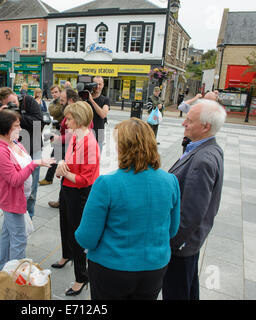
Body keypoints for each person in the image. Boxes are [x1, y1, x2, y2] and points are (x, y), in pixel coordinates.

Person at [75, 118, 180, 300]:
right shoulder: (171, 181)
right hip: (154, 267)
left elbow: (87, 237)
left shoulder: (106, 183)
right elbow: (172, 230)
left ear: (123, 147)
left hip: (112, 267)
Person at [162, 99, 226, 300]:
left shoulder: (202, 160)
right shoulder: (206, 148)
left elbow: (191, 212)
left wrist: (171, 243)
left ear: (205, 126)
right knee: (188, 288)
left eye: (189, 121)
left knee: (177, 291)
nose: (184, 123)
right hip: (189, 243)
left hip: (182, 246)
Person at [0, 110, 55, 271]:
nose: (20, 129)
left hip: (20, 197)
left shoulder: (16, 143)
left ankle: (3, 268)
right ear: (5, 128)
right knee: (19, 238)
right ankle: (16, 275)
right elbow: (14, 180)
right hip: (11, 199)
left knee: (7, 235)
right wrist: (35, 164)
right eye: (16, 126)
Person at [55, 101, 100, 296]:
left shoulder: (89, 142)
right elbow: (68, 161)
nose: (66, 122)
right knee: (64, 224)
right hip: (67, 188)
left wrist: (63, 172)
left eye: (70, 118)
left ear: (79, 119)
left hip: (79, 192)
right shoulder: (76, 136)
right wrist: (62, 165)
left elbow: (85, 179)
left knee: (77, 234)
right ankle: (67, 255)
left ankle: (81, 278)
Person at [0, 87, 43, 219]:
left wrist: (16, 115)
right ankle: (15, 212)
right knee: (16, 184)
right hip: (13, 149)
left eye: (14, 101)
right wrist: (1, 115)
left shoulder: (29, 101)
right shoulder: (1, 107)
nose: (13, 104)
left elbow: (39, 122)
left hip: (33, 147)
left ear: (16, 95)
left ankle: (29, 216)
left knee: (31, 187)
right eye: (9, 103)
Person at [39, 85, 63, 187]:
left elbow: (55, 111)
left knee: (55, 156)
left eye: (56, 92)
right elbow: (52, 112)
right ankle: (49, 178)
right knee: (56, 155)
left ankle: (49, 178)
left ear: (60, 92)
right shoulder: (54, 103)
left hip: (64, 131)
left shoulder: (61, 102)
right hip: (56, 130)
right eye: (52, 93)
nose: (54, 94)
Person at [88, 76, 109, 151]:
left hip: (99, 135)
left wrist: (91, 101)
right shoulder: (84, 97)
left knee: (96, 161)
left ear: (103, 85)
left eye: (100, 84)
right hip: (85, 134)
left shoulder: (105, 99)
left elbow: (103, 115)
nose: (97, 86)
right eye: (95, 84)